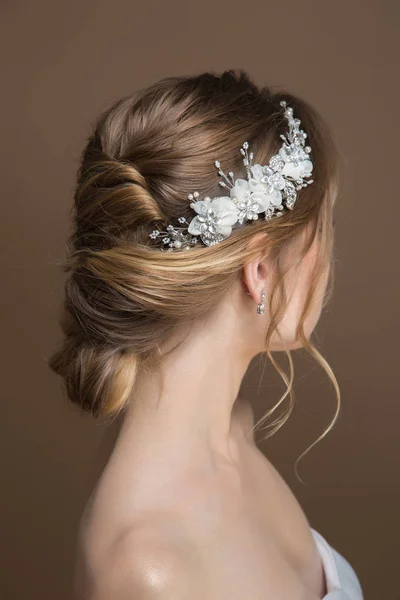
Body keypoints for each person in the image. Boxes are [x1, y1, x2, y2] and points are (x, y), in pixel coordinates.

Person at [49, 70, 364, 599]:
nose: (329, 264)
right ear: (258, 269)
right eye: (321, 234)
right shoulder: (149, 573)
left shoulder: (234, 434)